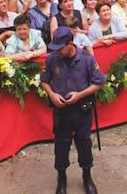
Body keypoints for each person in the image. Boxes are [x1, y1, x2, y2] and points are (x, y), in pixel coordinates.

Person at [40, 26, 106, 194]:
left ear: (70, 44)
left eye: (60, 48)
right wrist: (52, 94)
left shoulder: (87, 59)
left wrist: (80, 95)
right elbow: (44, 80)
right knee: (61, 145)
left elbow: (98, 82)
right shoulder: (52, 59)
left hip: (81, 110)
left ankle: (87, 176)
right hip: (61, 111)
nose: (57, 52)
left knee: (84, 142)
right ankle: (61, 178)